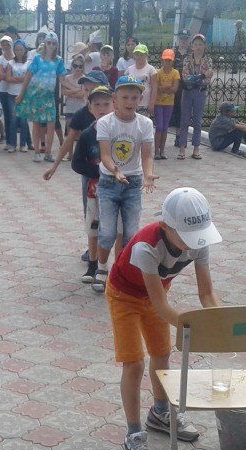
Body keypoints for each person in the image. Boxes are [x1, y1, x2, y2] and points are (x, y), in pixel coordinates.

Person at [107, 187, 221, 450]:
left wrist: (221, 323)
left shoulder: (199, 241)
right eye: (186, 236)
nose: (193, 243)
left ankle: (160, 413)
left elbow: (207, 294)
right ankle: (134, 434)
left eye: (197, 236)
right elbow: (160, 307)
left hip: (157, 294)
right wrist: (197, 332)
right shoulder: (146, 247)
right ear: (165, 226)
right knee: (134, 363)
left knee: (161, 353)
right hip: (124, 296)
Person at [44, 84, 115, 283]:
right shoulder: (87, 133)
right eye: (97, 104)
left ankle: (116, 268)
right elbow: (76, 161)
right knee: (93, 224)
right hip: (93, 186)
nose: (102, 108)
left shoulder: (121, 130)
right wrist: (98, 172)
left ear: (114, 104)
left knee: (116, 227)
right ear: (90, 107)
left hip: (118, 187)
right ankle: (93, 265)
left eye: (106, 104)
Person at [92, 75, 157, 292]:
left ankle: (123, 273)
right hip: (109, 183)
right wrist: (116, 171)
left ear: (140, 99)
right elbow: (105, 155)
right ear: (115, 99)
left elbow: (147, 156)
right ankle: (101, 269)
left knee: (131, 233)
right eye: (125, 97)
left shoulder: (145, 124)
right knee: (107, 232)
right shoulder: (105, 123)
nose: (130, 102)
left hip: (133, 184)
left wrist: (148, 175)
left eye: (135, 97)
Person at [16, 31, 66, 163]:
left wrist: (77, 87)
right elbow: (28, 76)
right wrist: (21, 94)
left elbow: (63, 80)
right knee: (36, 123)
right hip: (36, 95)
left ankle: (48, 153)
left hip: (49, 96)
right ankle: (37, 152)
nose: (51, 46)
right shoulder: (38, 58)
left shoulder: (58, 60)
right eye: (49, 43)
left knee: (51, 124)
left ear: (57, 45)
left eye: (54, 43)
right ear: (45, 44)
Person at [176, 34, 213, 160]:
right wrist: (201, 76)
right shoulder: (187, 59)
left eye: (200, 44)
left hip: (200, 92)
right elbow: (185, 77)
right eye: (196, 44)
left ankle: (196, 148)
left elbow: (208, 78)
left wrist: (198, 78)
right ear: (192, 45)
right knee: (184, 121)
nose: (198, 47)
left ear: (204, 46)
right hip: (187, 92)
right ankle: (182, 148)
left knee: (197, 121)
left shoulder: (208, 60)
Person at [154, 49, 180, 160]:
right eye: (165, 60)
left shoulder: (175, 73)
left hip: (169, 103)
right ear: (162, 60)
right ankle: (156, 151)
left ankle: (162, 150)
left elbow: (175, 89)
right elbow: (157, 88)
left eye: (169, 60)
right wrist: (168, 86)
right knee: (159, 126)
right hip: (158, 103)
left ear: (172, 61)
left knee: (165, 127)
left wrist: (163, 88)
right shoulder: (158, 73)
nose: (167, 62)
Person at [123, 43, 156, 118]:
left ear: (146, 55)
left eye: (142, 55)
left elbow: (154, 88)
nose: (139, 57)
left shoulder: (151, 69)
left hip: (145, 104)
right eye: (137, 54)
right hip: (131, 103)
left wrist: (152, 104)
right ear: (134, 55)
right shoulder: (129, 69)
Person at [171, 29, 191, 134]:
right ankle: (177, 134)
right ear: (178, 39)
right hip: (175, 85)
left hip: (188, 86)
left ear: (189, 40)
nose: (184, 41)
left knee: (185, 111)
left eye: (186, 39)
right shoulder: (172, 53)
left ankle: (181, 135)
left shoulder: (192, 53)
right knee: (175, 110)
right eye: (182, 38)